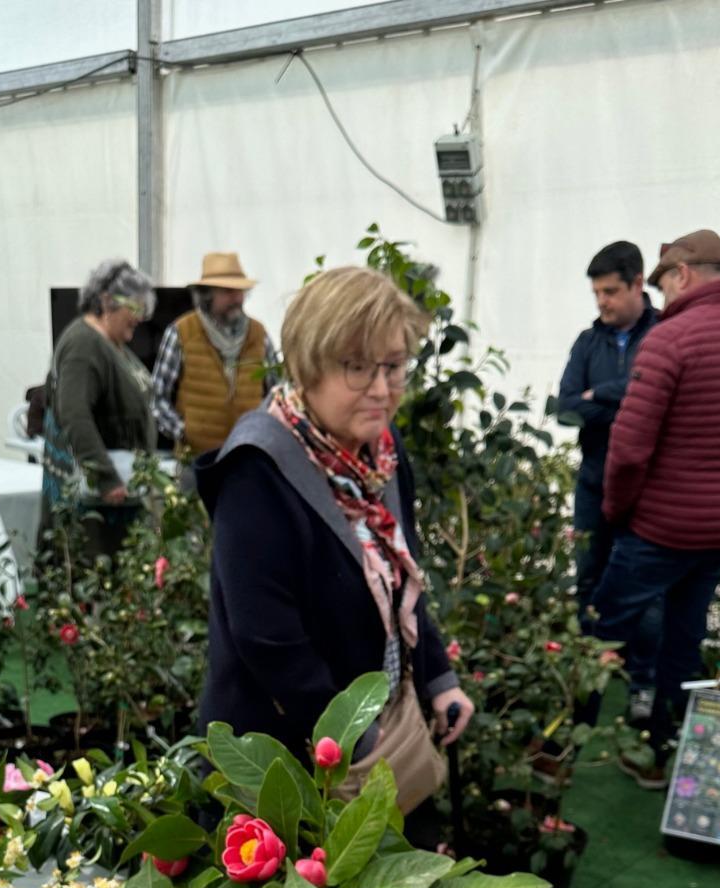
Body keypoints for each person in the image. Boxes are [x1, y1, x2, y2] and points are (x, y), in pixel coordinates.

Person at [197, 265, 473, 815]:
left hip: (374, 733)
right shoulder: (258, 471)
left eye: (393, 367)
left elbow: (400, 578)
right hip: (283, 757)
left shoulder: (381, 454)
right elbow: (266, 638)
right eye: (356, 368)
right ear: (309, 366)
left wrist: (438, 676)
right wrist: (353, 742)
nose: (381, 389)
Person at [591, 229, 720, 788]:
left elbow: (629, 450)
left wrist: (619, 511)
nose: (663, 295)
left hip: (656, 527)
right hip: (719, 530)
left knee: (598, 630)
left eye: (663, 282)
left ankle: (558, 740)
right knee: (685, 644)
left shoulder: (670, 341)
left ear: (681, 274)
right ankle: (664, 755)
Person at [558, 241, 659, 721]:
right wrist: (625, 399)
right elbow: (566, 406)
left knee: (645, 589)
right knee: (589, 578)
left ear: (638, 284)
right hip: (594, 482)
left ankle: (642, 686)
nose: (602, 302)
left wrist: (604, 393)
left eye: (611, 291)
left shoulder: (664, 335)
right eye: (597, 292)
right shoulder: (587, 341)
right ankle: (586, 683)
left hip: (649, 488)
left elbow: (659, 397)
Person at [40, 259, 156, 556]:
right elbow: (74, 414)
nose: (140, 317)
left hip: (119, 488)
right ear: (107, 302)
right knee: (95, 569)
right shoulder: (84, 345)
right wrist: (105, 477)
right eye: (135, 308)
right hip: (97, 499)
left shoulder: (112, 342)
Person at [152, 252, 279, 455]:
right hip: (195, 461)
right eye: (228, 291)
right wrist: (184, 432)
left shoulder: (258, 334)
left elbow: (277, 393)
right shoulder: (182, 333)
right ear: (207, 294)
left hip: (246, 458)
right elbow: (157, 397)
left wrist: (262, 433)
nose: (237, 298)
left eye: (241, 291)